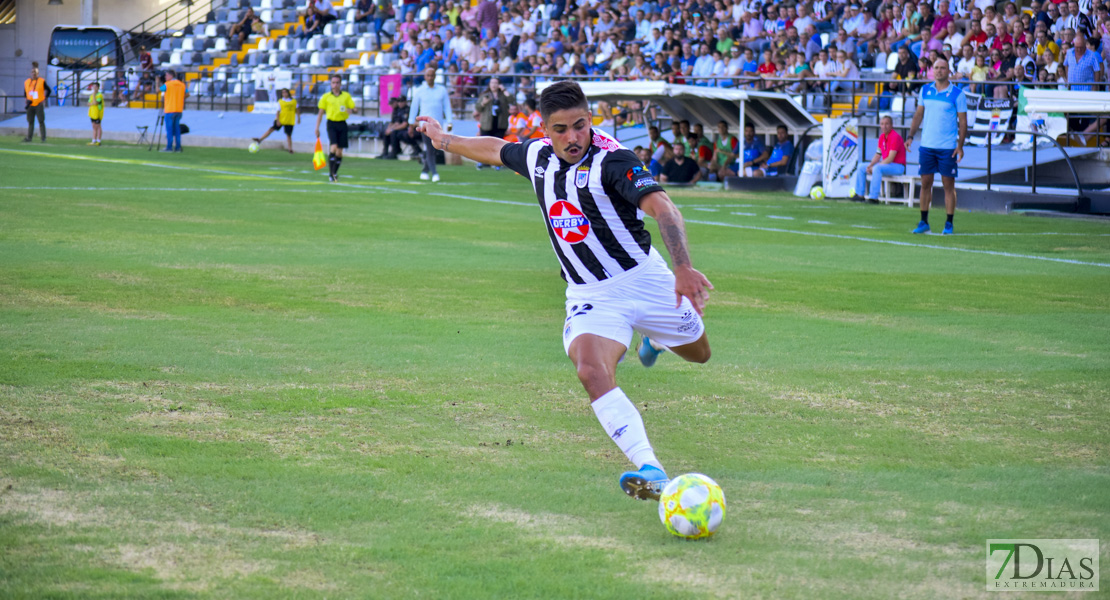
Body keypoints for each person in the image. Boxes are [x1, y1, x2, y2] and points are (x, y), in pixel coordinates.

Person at [414, 80, 713, 501]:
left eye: (580, 125)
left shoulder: (614, 161)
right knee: (591, 370)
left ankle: (656, 340)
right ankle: (651, 467)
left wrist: (683, 267)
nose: (573, 137)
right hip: (592, 293)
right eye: (561, 129)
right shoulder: (537, 156)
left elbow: (663, 207)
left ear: (590, 120)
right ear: (544, 128)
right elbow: (496, 148)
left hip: (645, 281)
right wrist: (444, 138)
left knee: (700, 353)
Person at [905, 58, 967, 235]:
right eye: (936, 68)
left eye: (943, 68)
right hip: (927, 146)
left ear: (949, 71)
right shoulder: (925, 90)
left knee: (948, 185)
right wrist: (910, 136)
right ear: (932, 70)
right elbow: (918, 115)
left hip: (947, 147)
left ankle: (949, 223)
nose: (939, 71)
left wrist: (960, 146)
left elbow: (963, 123)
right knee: (925, 183)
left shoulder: (957, 94)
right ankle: (924, 221)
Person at [409, 67, 453, 183]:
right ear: (425, 76)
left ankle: (425, 170)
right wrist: (411, 123)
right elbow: (414, 107)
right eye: (428, 75)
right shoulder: (420, 90)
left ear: (435, 76)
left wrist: (449, 121)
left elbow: (447, 106)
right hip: (425, 125)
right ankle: (434, 173)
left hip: (438, 125)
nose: (430, 78)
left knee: (434, 149)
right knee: (430, 148)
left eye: (432, 75)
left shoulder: (441, 90)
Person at [314, 74, 358, 182]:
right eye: (333, 82)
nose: (335, 85)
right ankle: (331, 173)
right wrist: (317, 127)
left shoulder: (346, 96)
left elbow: (355, 109)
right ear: (330, 84)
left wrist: (351, 110)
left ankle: (334, 172)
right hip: (331, 124)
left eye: (337, 82)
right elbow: (320, 113)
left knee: (339, 152)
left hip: (342, 124)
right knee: (333, 147)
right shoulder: (326, 97)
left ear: (340, 84)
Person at [852, 115, 907, 201]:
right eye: (882, 124)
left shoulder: (895, 137)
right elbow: (878, 154)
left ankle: (873, 198)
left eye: (887, 124)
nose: (884, 126)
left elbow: (890, 158)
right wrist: (870, 166)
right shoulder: (882, 137)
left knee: (877, 168)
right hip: (887, 165)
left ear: (892, 125)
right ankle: (859, 195)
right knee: (861, 167)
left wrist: (874, 167)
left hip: (898, 166)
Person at [474, 78, 512, 168]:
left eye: (496, 83)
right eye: (492, 83)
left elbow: (511, 100)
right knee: (484, 144)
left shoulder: (502, 95)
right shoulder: (485, 95)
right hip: (487, 123)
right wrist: (483, 103)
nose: (494, 85)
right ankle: (483, 162)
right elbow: (478, 108)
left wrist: (504, 89)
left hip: (500, 123)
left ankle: (497, 163)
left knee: (498, 144)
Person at [253, 88, 299, 154]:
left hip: (289, 120)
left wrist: (299, 118)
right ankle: (260, 140)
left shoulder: (293, 101)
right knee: (271, 129)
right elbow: (278, 111)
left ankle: (290, 149)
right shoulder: (280, 101)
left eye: (285, 92)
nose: (284, 94)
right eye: (283, 93)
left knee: (288, 135)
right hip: (281, 119)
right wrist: (278, 120)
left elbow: (297, 109)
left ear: (288, 93)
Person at [161, 69, 187, 152]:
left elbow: (158, 90)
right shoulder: (182, 84)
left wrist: (157, 81)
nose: (165, 77)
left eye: (166, 75)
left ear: (171, 75)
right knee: (177, 130)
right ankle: (178, 147)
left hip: (170, 109)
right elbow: (187, 93)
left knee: (169, 130)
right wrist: (180, 98)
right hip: (179, 109)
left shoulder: (167, 84)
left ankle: (169, 147)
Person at [23, 63, 49, 143]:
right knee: (30, 121)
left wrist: (44, 99)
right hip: (30, 104)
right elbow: (25, 92)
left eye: (35, 73)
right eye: (32, 72)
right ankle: (29, 137)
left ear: (37, 74)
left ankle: (43, 138)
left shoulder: (41, 81)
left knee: (41, 121)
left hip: (38, 104)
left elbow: (49, 90)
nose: (33, 74)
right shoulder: (27, 82)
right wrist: (26, 99)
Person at [88, 81, 105, 146]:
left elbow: (95, 103)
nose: (94, 88)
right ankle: (94, 140)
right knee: (93, 126)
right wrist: (92, 103)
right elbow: (89, 103)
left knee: (98, 126)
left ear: (98, 87)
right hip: (92, 113)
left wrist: (94, 95)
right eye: (93, 86)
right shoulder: (92, 95)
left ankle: (99, 140)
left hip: (98, 113)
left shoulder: (99, 95)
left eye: (95, 86)